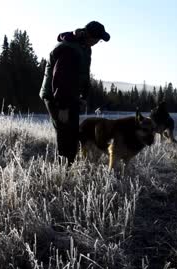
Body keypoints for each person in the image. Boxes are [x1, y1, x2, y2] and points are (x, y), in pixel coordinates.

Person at [39, 21, 110, 165]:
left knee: (73, 134)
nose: (97, 42)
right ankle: (63, 172)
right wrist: (63, 107)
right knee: (66, 135)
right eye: (97, 39)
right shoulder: (68, 49)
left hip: (70, 95)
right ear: (89, 36)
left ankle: (69, 167)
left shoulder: (84, 48)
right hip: (56, 97)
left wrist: (83, 96)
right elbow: (60, 79)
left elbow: (84, 75)